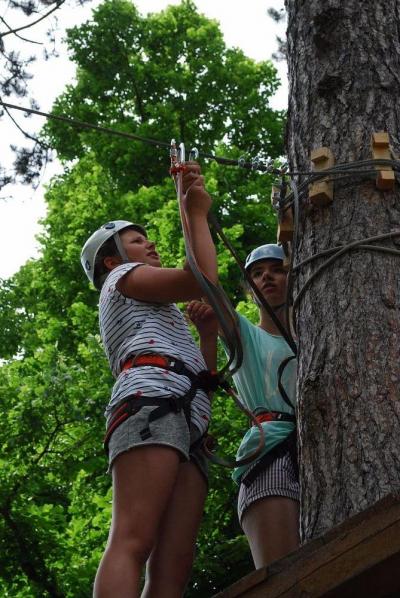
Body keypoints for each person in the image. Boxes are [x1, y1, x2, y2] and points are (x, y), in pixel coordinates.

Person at [80, 163, 217, 598]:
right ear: (111, 258)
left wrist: (208, 335)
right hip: (151, 402)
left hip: (185, 417)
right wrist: (193, 212)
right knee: (134, 539)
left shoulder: (159, 313)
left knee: (174, 568)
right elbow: (200, 279)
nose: (150, 242)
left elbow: (205, 378)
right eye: (138, 239)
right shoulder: (122, 280)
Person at [187, 243, 299, 569]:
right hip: (271, 456)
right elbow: (204, 281)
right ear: (250, 290)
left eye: (278, 269)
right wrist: (191, 208)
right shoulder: (242, 334)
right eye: (257, 274)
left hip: (325, 454)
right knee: (286, 577)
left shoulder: (322, 336)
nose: (268, 277)